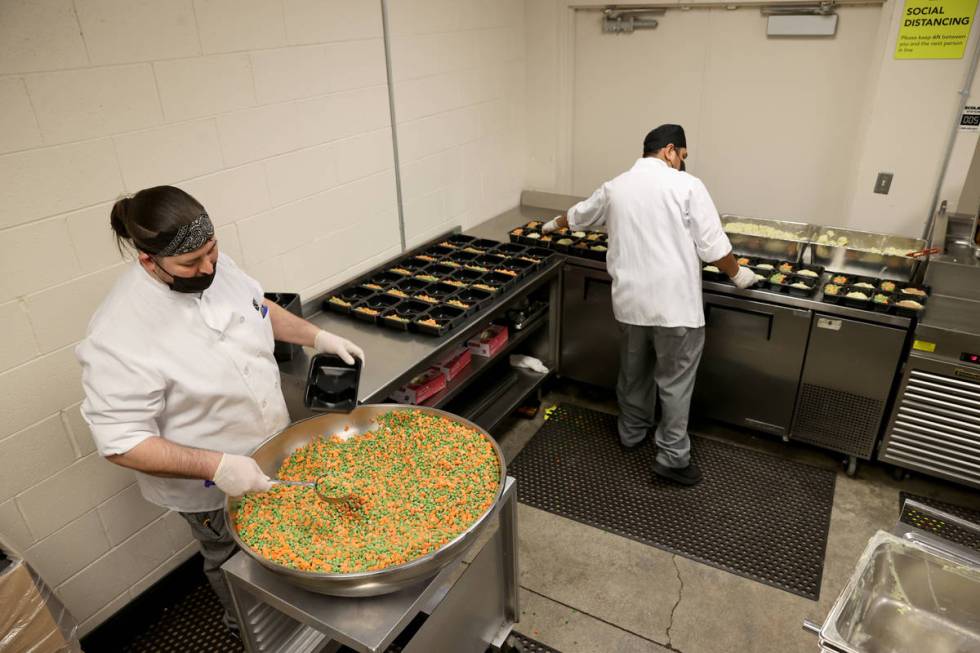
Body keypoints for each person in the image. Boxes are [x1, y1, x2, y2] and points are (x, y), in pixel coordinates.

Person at [76, 185, 364, 634]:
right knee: (234, 562)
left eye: (212, 251)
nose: (208, 267)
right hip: (211, 488)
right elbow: (120, 443)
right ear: (148, 261)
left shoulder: (210, 266)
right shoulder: (118, 333)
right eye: (191, 263)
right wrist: (219, 466)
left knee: (289, 544)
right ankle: (248, 630)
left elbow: (256, 307)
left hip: (274, 451)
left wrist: (315, 337)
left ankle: (308, 620)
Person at [541, 124, 756, 486]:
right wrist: (739, 276)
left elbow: (578, 215)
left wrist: (551, 226)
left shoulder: (616, 186)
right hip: (676, 308)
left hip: (631, 304)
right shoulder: (687, 186)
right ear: (670, 151)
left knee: (633, 372)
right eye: (682, 157)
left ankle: (631, 433)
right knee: (674, 382)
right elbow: (714, 248)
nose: (683, 164)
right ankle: (672, 457)